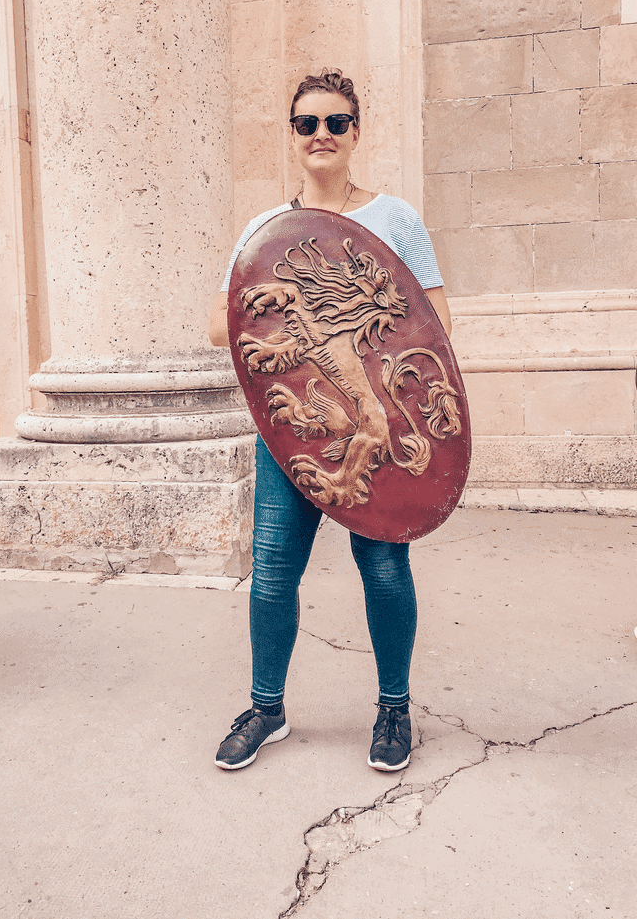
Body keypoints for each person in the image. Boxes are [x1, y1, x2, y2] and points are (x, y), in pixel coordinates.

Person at [208, 69, 452, 772]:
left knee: (384, 567)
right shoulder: (266, 231)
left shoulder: (395, 219)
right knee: (272, 574)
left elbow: (435, 322)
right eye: (307, 123)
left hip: (367, 427)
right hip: (291, 434)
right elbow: (220, 324)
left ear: (355, 132)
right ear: (292, 135)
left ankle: (395, 708)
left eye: (336, 122)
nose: (322, 134)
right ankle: (267, 708)